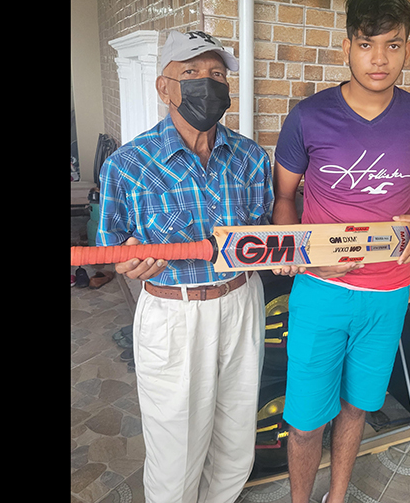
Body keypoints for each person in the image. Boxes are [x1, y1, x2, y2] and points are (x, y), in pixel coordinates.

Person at [271, 0, 410, 503]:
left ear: (407, 50)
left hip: (388, 291)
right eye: (367, 43)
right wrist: (292, 249)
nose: (379, 59)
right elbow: (284, 197)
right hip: (320, 292)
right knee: (305, 422)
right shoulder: (308, 117)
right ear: (346, 46)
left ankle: (338, 496)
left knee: (357, 408)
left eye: (392, 46)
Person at [96, 30, 274, 503]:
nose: (206, 83)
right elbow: (111, 250)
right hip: (173, 314)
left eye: (216, 74)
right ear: (163, 87)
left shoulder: (251, 158)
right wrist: (128, 261)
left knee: (236, 444)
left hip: (241, 303)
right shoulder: (126, 165)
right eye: (191, 73)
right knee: (175, 457)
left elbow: (265, 231)